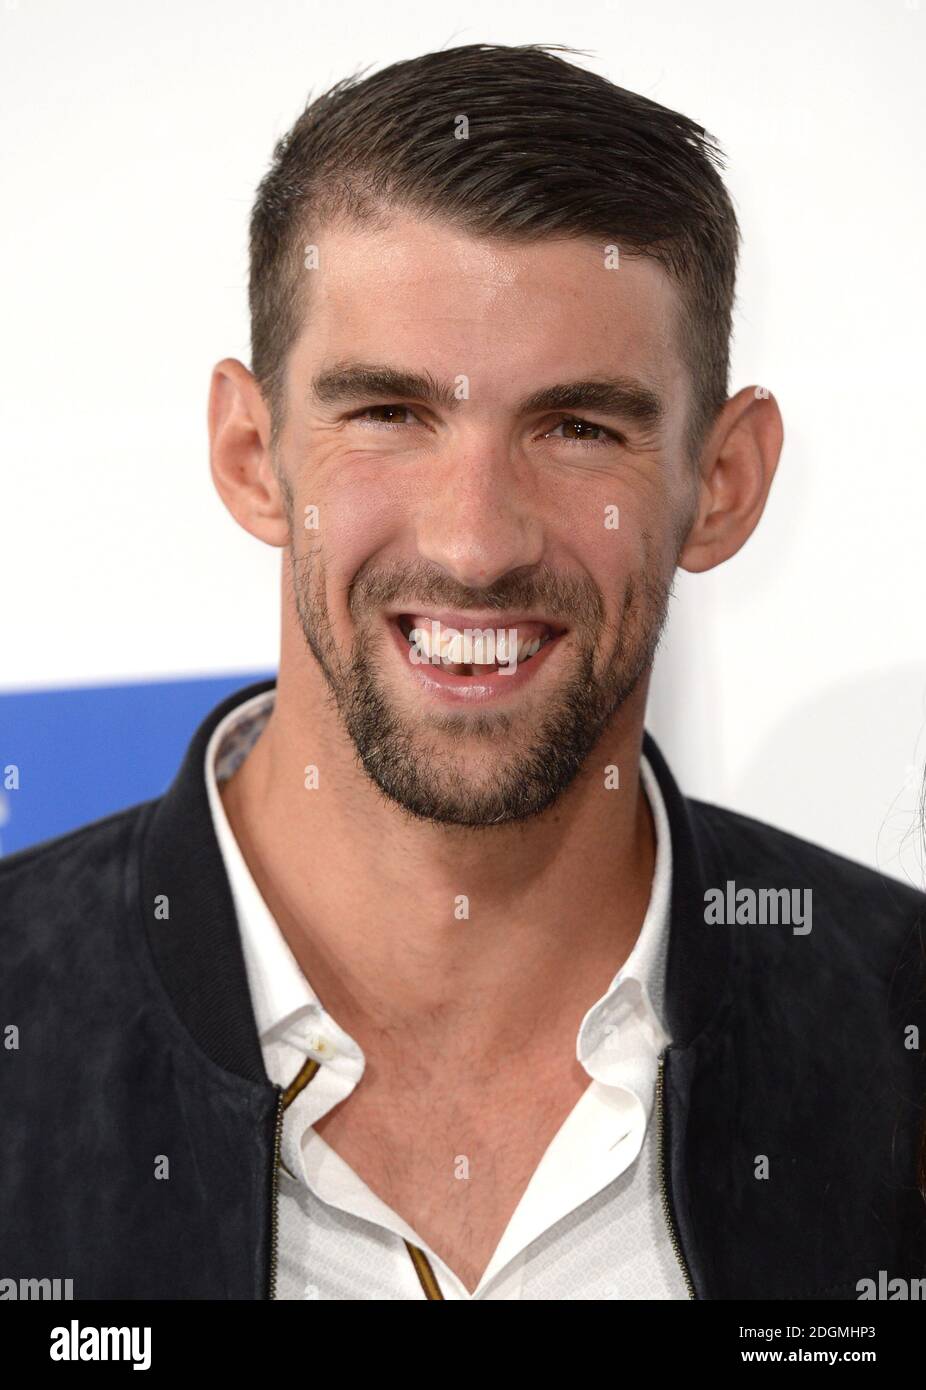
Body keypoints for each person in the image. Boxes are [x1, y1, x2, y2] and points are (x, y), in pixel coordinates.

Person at [2, 42, 924, 1302]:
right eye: (387, 413)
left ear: (721, 484)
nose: (473, 541)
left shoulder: (899, 1026)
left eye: (577, 427)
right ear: (250, 452)